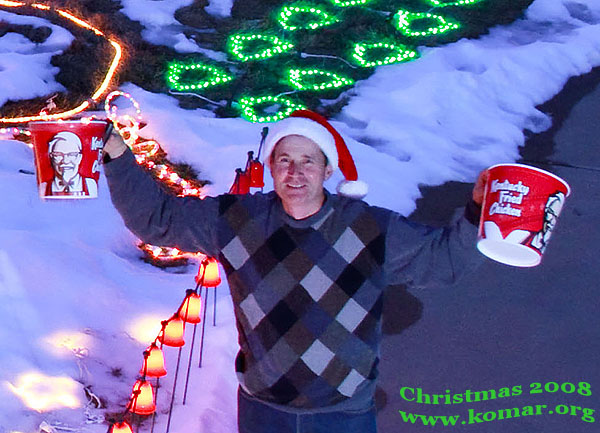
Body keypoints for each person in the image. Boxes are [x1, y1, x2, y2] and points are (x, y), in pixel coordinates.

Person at [102, 110, 488, 433]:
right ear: (270, 167)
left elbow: (444, 261)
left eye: (308, 161)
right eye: (284, 160)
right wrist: (117, 154)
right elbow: (158, 219)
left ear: (326, 170)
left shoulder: (371, 228)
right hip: (264, 411)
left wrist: (477, 212)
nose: (296, 172)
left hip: (343, 413)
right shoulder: (237, 221)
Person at [40, 131, 98, 197]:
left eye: (72, 154)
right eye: (58, 155)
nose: (65, 161)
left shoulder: (91, 185)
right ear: (51, 157)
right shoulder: (43, 187)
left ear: (79, 157)